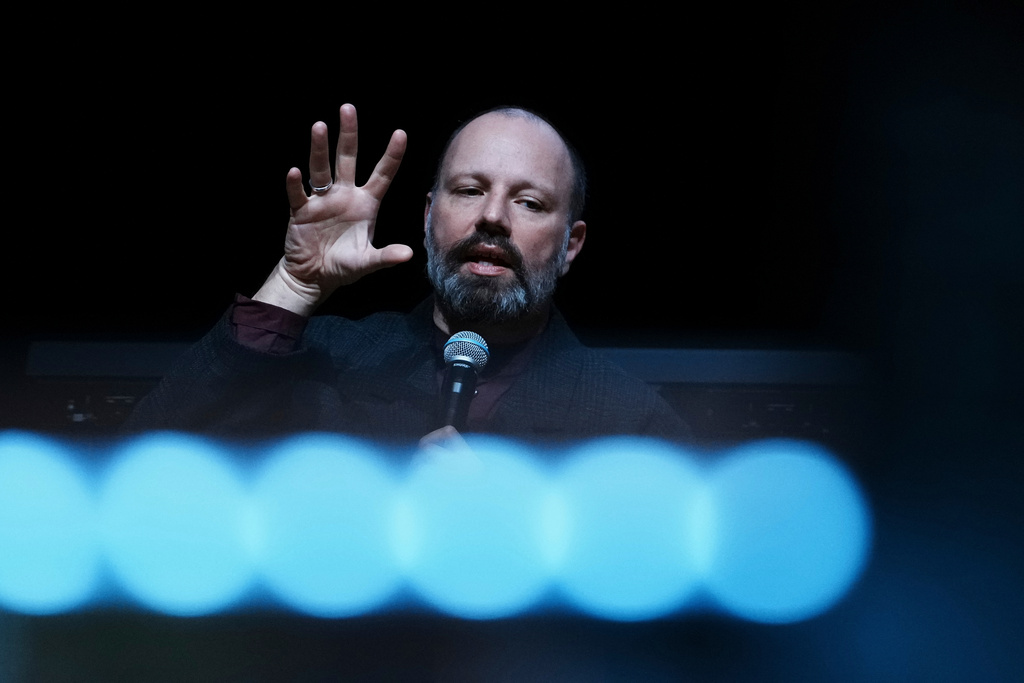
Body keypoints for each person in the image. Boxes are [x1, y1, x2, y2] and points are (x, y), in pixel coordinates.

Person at [124, 104, 689, 444]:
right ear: (427, 217)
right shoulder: (326, 360)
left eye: (530, 203)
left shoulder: (632, 423)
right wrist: (293, 285)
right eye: (469, 191)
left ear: (571, 245)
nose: (491, 216)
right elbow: (144, 473)